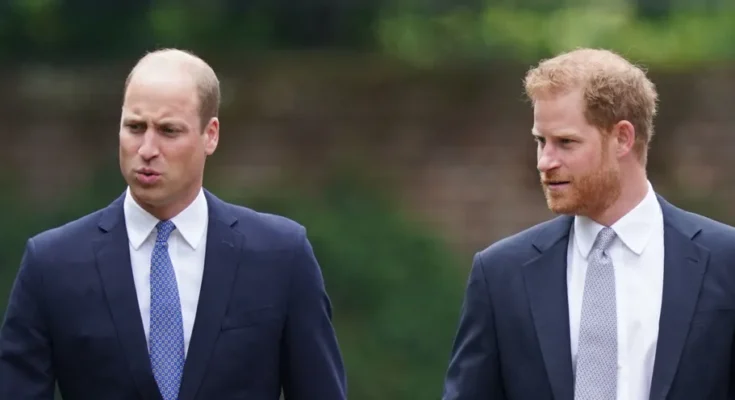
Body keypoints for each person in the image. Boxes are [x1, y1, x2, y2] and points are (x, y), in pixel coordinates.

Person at [0, 48, 347, 400]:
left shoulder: (281, 256)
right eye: (135, 127)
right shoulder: (52, 264)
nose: (147, 148)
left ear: (210, 135)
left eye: (168, 131)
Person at [441, 48, 735, 400]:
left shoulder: (725, 260)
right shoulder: (500, 273)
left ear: (622, 138)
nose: (545, 161)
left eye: (566, 142)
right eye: (541, 141)